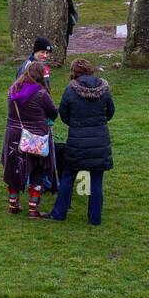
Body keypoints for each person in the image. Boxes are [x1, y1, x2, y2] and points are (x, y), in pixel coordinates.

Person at [46, 59, 114, 226]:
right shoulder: (104, 89)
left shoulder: (70, 90)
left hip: (77, 141)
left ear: (74, 73)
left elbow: (64, 114)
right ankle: (94, 218)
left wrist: (76, 124)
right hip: (100, 140)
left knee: (68, 177)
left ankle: (59, 213)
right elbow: (110, 111)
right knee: (96, 180)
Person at [2, 61, 58, 218]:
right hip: (36, 137)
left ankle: (13, 204)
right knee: (38, 169)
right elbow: (53, 113)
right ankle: (33, 209)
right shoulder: (41, 93)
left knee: (14, 169)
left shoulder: (13, 89)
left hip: (14, 134)